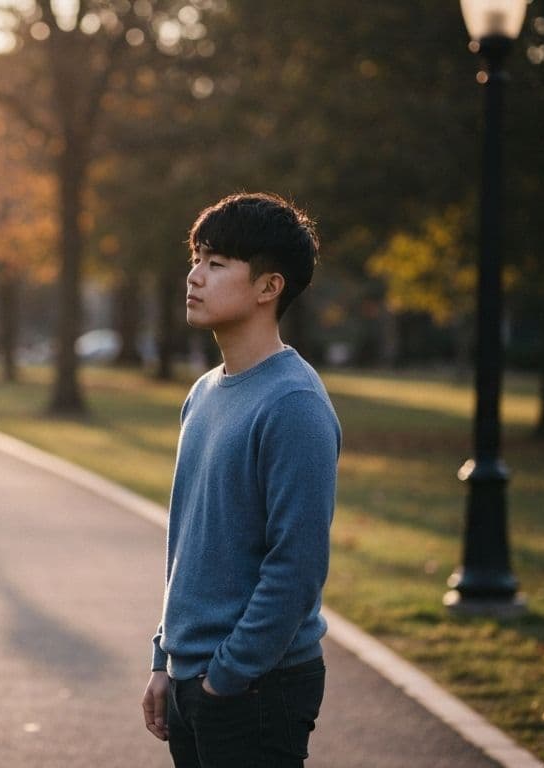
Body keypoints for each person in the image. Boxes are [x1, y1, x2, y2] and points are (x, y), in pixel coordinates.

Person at [142, 192, 341, 767]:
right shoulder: (203, 393)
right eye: (197, 258)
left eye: (217, 263)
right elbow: (188, 543)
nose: (194, 276)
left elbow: (297, 564)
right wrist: (165, 659)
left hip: (255, 685)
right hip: (194, 677)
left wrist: (226, 676)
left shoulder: (294, 404)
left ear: (268, 287)